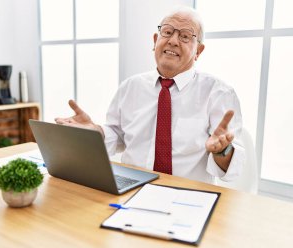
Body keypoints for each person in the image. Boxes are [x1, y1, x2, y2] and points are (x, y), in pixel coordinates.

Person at [55, 6, 244, 184]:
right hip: (130, 187)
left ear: (198, 51)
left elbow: (235, 169)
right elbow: (117, 135)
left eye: (185, 36)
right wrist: (96, 132)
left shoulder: (218, 93)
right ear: (155, 41)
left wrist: (222, 151)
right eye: (167, 32)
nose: (173, 41)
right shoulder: (131, 86)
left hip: (188, 196)